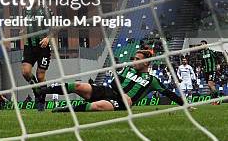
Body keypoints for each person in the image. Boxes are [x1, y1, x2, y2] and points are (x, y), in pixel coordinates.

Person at [40, 50, 185, 112]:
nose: (134, 61)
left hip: (122, 104)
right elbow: (114, 82)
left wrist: (185, 105)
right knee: (78, 85)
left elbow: (169, 93)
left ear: (147, 63)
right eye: (134, 58)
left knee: (97, 106)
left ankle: (64, 110)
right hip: (111, 91)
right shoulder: (128, 70)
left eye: (137, 59)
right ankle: (44, 90)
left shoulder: (152, 80)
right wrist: (123, 93)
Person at [21, 0, 55, 111]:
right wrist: (23, 30)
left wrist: (47, 38)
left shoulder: (46, 11)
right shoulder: (25, 10)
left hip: (43, 47)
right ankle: (37, 91)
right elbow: (25, 25)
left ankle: (41, 101)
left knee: (40, 75)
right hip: (29, 46)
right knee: (26, 72)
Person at [198, 40, 223, 105]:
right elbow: (203, 62)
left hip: (212, 70)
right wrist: (201, 67)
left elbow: (218, 58)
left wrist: (218, 64)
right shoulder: (202, 53)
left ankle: (218, 99)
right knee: (210, 86)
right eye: (201, 44)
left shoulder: (211, 51)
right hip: (206, 71)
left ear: (206, 44)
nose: (201, 45)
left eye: (203, 44)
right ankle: (214, 100)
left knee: (210, 84)